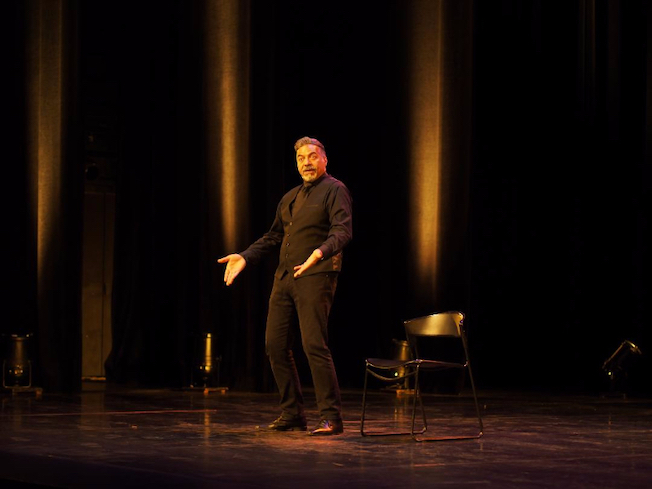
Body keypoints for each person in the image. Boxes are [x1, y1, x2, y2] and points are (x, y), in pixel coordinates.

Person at [217, 137, 352, 436]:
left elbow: (342, 230)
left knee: (313, 345)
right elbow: (273, 236)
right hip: (285, 280)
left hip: (316, 277)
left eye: (312, 156)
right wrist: (245, 256)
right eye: (301, 158)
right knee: (275, 345)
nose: (306, 162)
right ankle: (292, 413)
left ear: (324, 160)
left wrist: (319, 253)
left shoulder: (335, 189)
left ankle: (331, 417)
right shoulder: (290, 196)